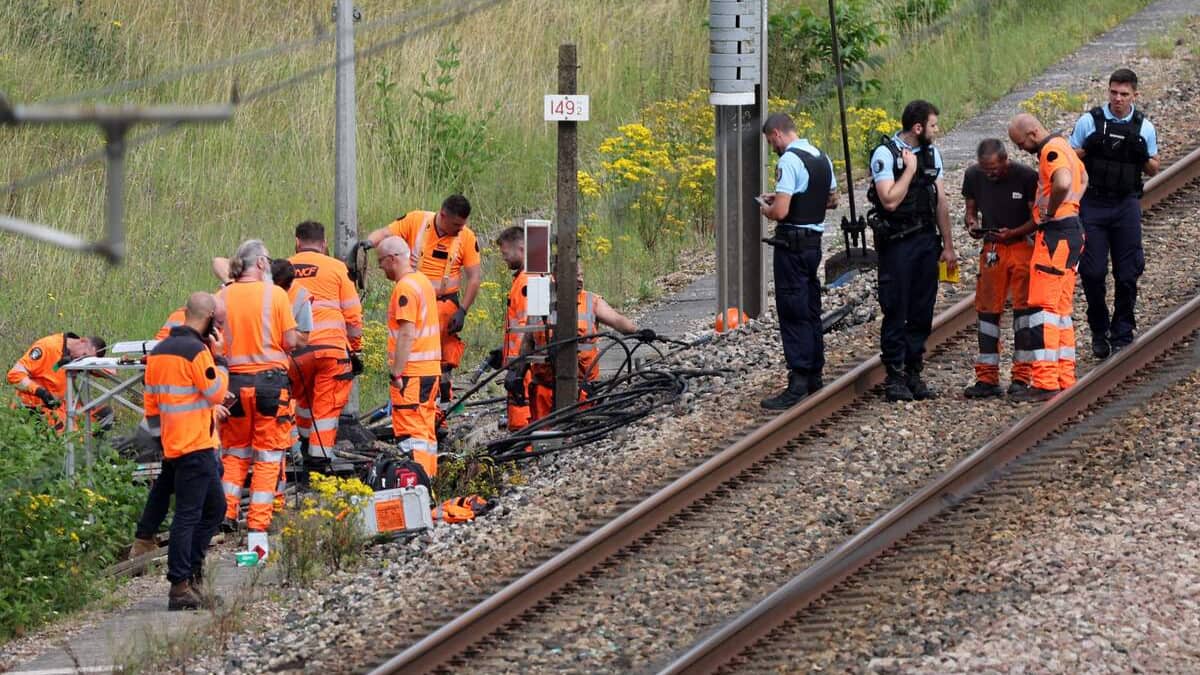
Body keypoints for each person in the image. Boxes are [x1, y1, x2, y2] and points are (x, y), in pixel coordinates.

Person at [139, 292, 229, 610]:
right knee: (189, 515)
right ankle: (180, 586)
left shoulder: (159, 351)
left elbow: (151, 404)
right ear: (208, 319)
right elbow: (216, 393)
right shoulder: (198, 352)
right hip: (196, 446)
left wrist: (162, 441)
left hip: (176, 445)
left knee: (215, 509)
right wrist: (220, 359)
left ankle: (191, 575)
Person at [866, 99, 958, 402]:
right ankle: (895, 375)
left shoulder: (932, 153)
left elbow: (940, 202)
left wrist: (948, 245)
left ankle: (913, 371)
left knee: (922, 309)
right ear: (918, 128)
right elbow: (889, 200)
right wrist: (909, 171)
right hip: (897, 243)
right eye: (933, 125)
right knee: (896, 308)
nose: (937, 130)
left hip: (926, 241)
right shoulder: (886, 154)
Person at [1069, 68, 1160, 359]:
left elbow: (1154, 167)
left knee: (1128, 272)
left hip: (1125, 204)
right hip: (1093, 203)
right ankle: (1099, 329)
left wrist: (1141, 154)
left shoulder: (1144, 127)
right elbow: (1068, 158)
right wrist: (1088, 148)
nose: (1118, 99)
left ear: (1135, 95)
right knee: (1092, 272)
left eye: (1124, 94)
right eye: (1113, 93)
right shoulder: (1089, 122)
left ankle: (1122, 329)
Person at [216, 240, 299, 538]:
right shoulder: (275, 294)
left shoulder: (222, 296)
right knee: (268, 454)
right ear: (262, 263)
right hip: (270, 385)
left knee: (235, 451)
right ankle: (258, 522)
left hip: (233, 386)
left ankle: (225, 512)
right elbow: (290, 341)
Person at [367, 195, 482, 407]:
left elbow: (474, 278)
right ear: (443, 215)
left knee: (444, 361)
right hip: (416, 303)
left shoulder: (465, 236)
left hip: (446, 305)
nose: (460, 229)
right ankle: (414, 399)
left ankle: (442, 408)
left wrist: (463, 310)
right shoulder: (417, 221)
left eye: (463, 225)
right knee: (411, 353)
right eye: (456, 225)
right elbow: (384, 234)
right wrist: (365, 245)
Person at [757, 112, 838, 410]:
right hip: (813, 244)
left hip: (791, 245)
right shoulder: (821, 157)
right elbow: (832, 200)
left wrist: (767, 208)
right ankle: (815, 372)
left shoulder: (789, 161)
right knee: (810, 306)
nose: (773, 148)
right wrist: (786, 198)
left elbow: (780, 212)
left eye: (771, 142)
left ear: (777, 134)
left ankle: (798, 379)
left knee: (792, 309)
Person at [1008, 113, 1087, 401]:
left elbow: (1063, 182)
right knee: (1061, 311)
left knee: (1044, 309)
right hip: (1072, 231)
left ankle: (1044, 381)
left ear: (1032, 133)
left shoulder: (1050, 151)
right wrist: (1071, 206)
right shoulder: (1064, 145)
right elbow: (1083, 178)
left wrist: (1051, 211)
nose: (1021, 149)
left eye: (1020, 143)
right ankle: (1065, 376)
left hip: (1055, 235)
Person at [520, 263, 651, 423]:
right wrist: (518, 373)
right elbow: (527, 341)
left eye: (581, 275)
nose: (580, 280)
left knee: (581, 431)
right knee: (544, 434)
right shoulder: (540, 299)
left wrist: (639, 332)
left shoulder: (591, 301)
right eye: (575, 276)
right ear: (556, 277)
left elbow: (617, 320)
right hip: (544, 391)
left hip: (582, 389)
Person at [961, 139, 1040, 398]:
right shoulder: (974, 176)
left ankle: (1022, 376)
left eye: (994, 169)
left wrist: (1013, 232)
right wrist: (972, 223)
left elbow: (1037, 218)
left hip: (1021, 246)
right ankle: (987, 378)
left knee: (1024, 312)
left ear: (1006, 160)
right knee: (987, 311)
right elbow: (970, 209)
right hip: (993, 248)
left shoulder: (1026, 177)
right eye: (986, 169)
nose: (990, 174)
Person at [288, 221, 364, 462]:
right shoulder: (336, 268)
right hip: (331, 351)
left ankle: (302, 446)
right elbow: (353, 316)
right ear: (324, 244)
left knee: (302, 401)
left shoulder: (283, 269)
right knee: (326, 407)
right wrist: (355, 350)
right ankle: (319, 461)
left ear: (297, 242)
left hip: (296, 352)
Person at [377, 236, 442, 478]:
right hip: (430, 371)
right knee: (425, 433)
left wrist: (396, 372)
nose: (381, 268)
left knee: (411, 434)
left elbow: (407, 332)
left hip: (412, 374)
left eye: (381, 262)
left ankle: (416, 485)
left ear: (392, 259)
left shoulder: (405, 287)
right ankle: (429, 480)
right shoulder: (422, 281)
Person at [8, 332, 106, 431]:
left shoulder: (75, 356)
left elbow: (108, 370)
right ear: (83, 341)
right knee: (72, 433)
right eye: (84, 355)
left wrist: (104, 364)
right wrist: (40, 392)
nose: (82, 360)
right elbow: (14, 374)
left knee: (101, 414)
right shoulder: (48, 347)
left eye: (86, 359)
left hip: (56, 407)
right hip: (32, 408)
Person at [495, 226, 534, 430]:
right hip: (520, 364)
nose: (504, 259)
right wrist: (503, 353)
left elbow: (530, 327)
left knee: (523, 422)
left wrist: (519, 367)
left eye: (506, 254)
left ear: (521, 248)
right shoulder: (522, 280)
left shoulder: (527, 281)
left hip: (525, 367)